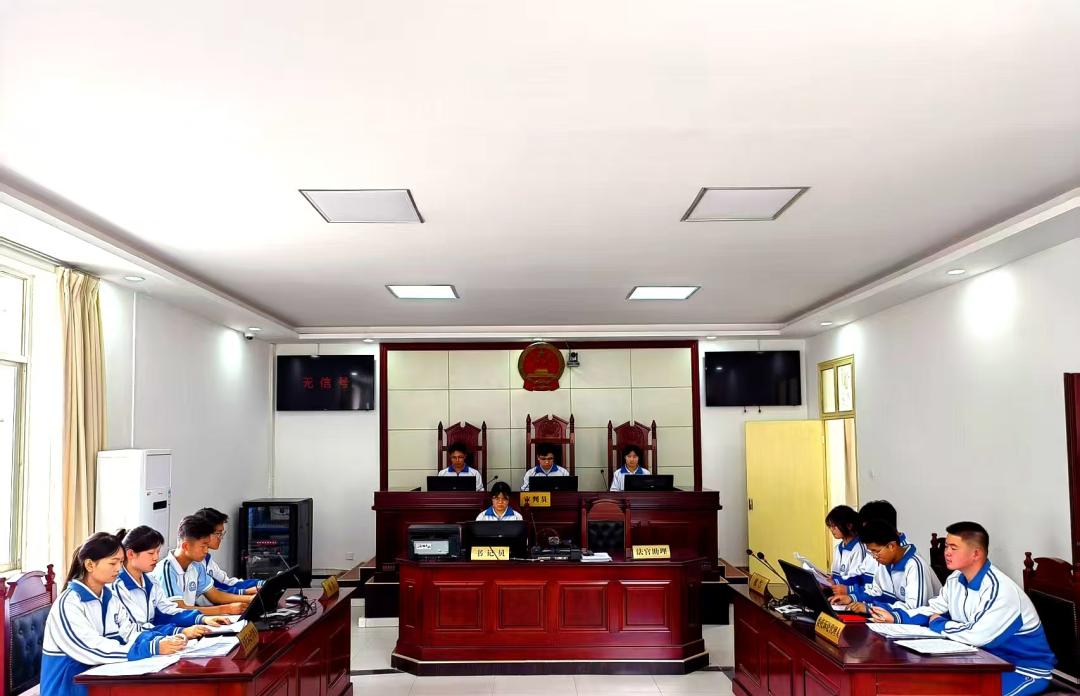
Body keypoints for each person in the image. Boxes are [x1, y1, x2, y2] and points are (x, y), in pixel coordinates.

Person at [872, 522, 1055, 696]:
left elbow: (977, 636)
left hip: (1021, 669)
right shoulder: (955, 579)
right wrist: (896, 617)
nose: (947, 552)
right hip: (981, 660)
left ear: (976, 553)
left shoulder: (1000, 590)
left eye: (954, 548)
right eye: (946, 547)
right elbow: (933, 609)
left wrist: (939, 623)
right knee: (921, 685)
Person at [41, 532, 186, 696]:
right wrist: (152, 648)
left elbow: (129, 631)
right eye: (113, 563)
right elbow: (93, 649)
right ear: (90, 565)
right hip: (68, 688)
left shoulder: (109, 598)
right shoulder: (69, 604)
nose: (119, 568)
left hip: (102, 682)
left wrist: (160, 640)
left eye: (121, 562)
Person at [114, 526, 232, 631]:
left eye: (158, 552)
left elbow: (168, 611)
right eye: (151, 553)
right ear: (130, 554)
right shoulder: (119, 586)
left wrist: (202, 619)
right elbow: (136, 628)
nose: (156, 557)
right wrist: (179, 632)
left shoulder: (151, 581)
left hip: (152, 638)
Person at [833, 519, 939, 615]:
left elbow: (915, 609)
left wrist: (871, 608)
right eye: (871, 552)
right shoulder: (885, 562)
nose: (874, 556)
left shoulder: (915, 565)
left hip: (923, 623)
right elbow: (876, 591)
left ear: (891, 546)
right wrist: (852, 598)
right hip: (894, 619)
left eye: (876, 551)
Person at [151, 515, 250, 615]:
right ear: (186, 546)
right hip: (174, 623)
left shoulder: (196, 565)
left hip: (191, 621)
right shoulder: (166, 570)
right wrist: (226, 609)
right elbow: (179, 609)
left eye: (207, 545)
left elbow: (215, 595)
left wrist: (250, 599)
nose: (206, 550)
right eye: (203, 546)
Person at [193, 507, 262, 600]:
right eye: (218, 533)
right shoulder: (193, 563)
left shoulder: (206, 559)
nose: (221, 538)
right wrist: (244, 593)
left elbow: (227, 583)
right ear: (203, 533)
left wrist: (261, 583)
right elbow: (209, 596)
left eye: (222, 533)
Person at [824, 505, 873, 596]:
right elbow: (837, 574)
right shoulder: (838, 548)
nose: (832, 529)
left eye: (834, 526)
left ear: (849, 526)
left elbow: (857, 579)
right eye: (830, 526)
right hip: (838, 591)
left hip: (852, 594)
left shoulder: (859, 547)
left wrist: (836, 582)